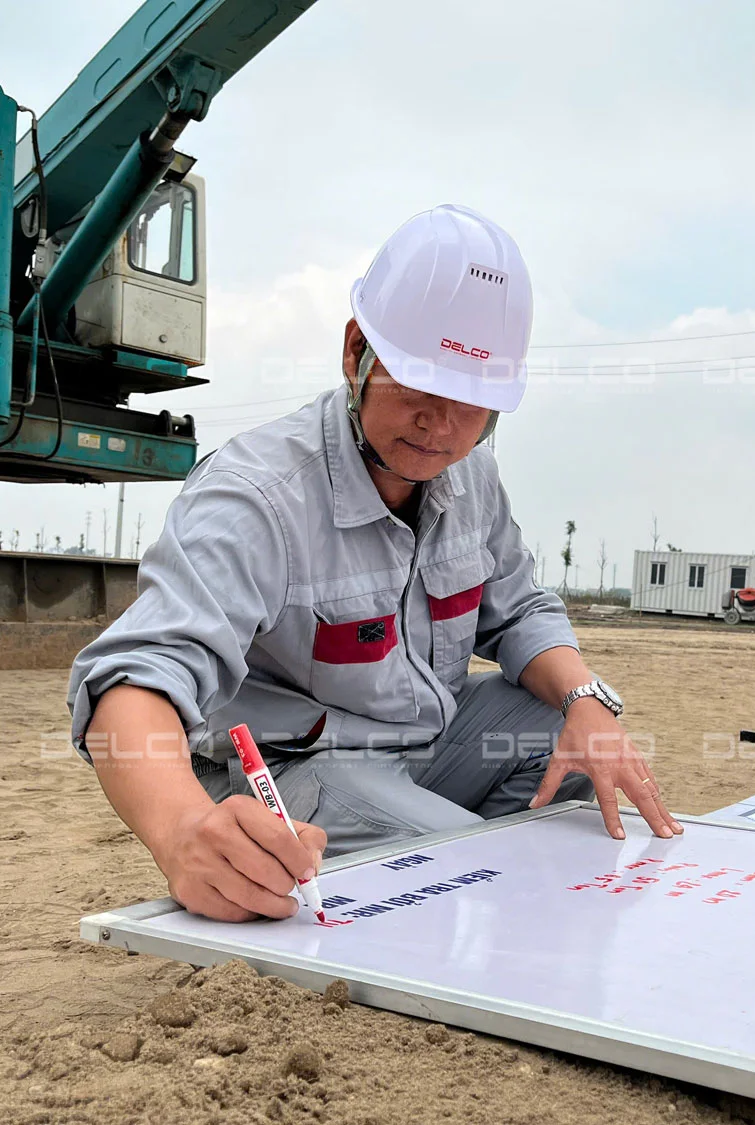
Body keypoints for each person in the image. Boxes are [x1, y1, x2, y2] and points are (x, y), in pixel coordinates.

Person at [70, 204, 681, 923]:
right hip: (299, 768)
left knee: (567, 738)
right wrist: (181, 832)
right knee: (469, 870)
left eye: (473, 403)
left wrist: (587, 702)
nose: (441, 425)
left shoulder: (472, 478)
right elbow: (134, 679)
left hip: (431, 747)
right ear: (356, 350)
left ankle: (482, 894)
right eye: (419, 385)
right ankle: (457, 889)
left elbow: (520, 612)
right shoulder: (258, 498)